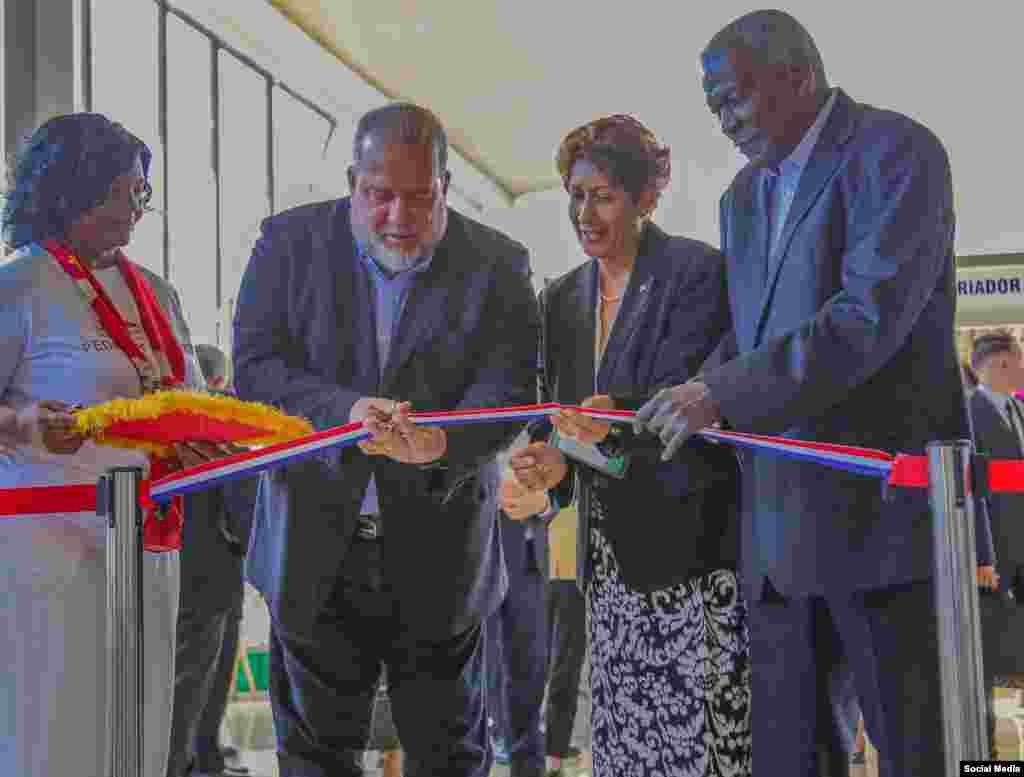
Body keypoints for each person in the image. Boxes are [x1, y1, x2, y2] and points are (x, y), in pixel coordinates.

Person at [635, 10, 995, 774]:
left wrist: (720, 390)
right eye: (713, 110)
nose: (724, 123)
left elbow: (868, 316)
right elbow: (748, 334)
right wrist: (678, 391)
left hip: (882, 530)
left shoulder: (897, 151)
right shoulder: (740, 197)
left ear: (799, 74)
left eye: (734, 99)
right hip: (776, 536)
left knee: (919, 753)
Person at [231, 102, 540, 777]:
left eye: (420, 198)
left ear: (447, 188)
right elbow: (253, 369)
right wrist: (343, 411)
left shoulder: (499, 264)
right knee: (314, 757)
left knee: (451, 756)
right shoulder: (287, 246)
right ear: (351, 182)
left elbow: (512, 386)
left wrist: (443, 442)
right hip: (312, 551)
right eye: (379, 196)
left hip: (440, 554)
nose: (399, 217)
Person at [510, 114, 750, 776]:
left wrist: (603, 427)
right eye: (576, 194)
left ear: (645, 198)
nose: (585, 213)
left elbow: (683, 409)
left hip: (691, 549)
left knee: (701, 748)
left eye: (605, 196)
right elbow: (553, 414)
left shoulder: (695, 274)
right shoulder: (560, 299)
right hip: (611, 566)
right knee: (627, 745)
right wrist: (547, 462)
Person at [0, 113, 214, 776]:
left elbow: (192, 404)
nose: (138, 210)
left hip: (144, 547)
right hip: (44, 557)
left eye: (144, 193)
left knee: (137, 735)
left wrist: (203, 441)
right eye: (127, 193)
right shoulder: (20, 285)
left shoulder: (158, 293)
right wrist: (28, 423)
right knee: (53, 732)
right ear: (72, 190)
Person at [168, 343, 257, 777]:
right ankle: (191, 762)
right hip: (214, 562)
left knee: (185, 672)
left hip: (170, 555)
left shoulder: (163, 413)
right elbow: (240, 488)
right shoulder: (222, 413)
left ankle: (201, 758)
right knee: (199, 674)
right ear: (219, 381)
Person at [968, 331, 1024, 754]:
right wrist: (980, 552)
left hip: (1022, 555)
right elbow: (972, 491)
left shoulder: (1019, 410)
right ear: (1000, 362)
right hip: (993, 556)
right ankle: (984, 753)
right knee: (986, 656)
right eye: (1019, 357)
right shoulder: (968, 414)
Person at [486, 440, 555, 777]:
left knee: (531, 662)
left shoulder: (549, 403)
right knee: (485, 660)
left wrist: (543, 504)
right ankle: (493, 739)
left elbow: (568, 483)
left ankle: (528, 760)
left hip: (531, 554)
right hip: (481, 545)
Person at [542, 502, 586, 776]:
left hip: (573, 575)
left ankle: (554, 755)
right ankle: (551, 753)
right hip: (550, 572)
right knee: (553, 669)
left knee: (565, 670)